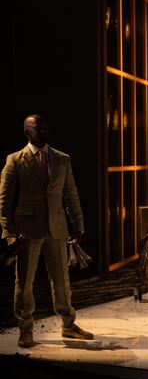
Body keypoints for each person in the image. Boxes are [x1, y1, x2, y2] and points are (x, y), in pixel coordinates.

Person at [0, 115, 94, 348]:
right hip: (27, 230)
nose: (43, 131)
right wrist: (8, 232)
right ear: (26, 131)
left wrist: (78, 225)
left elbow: (71, 194)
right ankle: (25, 330)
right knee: (25, 282)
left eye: (45, 127)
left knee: (62, 281)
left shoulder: (62, 159)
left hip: (57, 228)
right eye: (37, 127)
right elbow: (4, 200)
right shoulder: (15, 160)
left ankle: (69, 325)